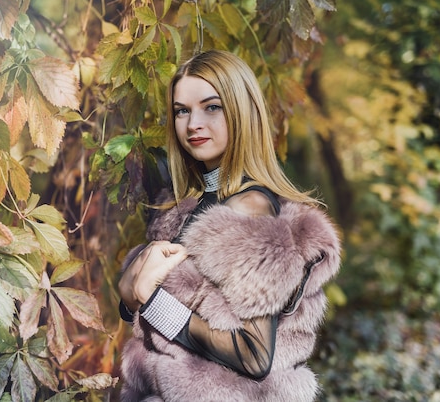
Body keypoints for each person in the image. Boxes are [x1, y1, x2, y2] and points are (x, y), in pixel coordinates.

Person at [117, 50, 341, 402]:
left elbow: (254, 355)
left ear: (241, 111)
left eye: (212, 107)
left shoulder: (249, 208)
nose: (193, 124)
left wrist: (150, 299)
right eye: (182, 110)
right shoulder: (186, 204)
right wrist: (131, 295)